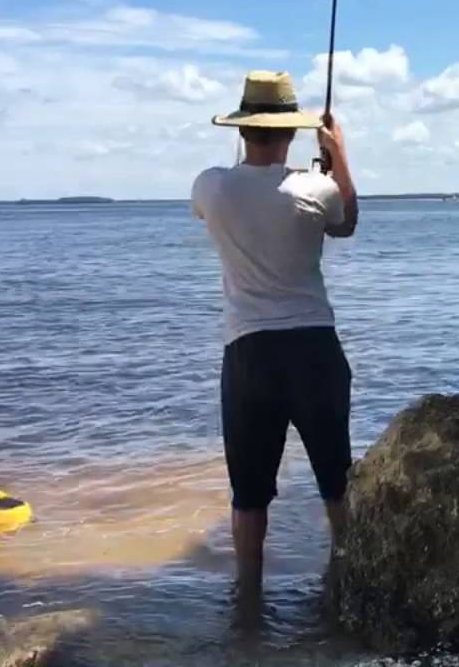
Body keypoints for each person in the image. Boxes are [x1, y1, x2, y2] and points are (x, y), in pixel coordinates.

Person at [191, 70, 359, 593]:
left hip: (248, 354)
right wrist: (339, 155)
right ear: (290, 131)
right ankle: (354, 580)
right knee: (336, 480)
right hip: (313, 348)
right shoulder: (316, 187)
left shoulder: (210, 186)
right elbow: (346, 221)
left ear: (242, 129)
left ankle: (248, 603)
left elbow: (229, 209)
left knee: (248, 494)